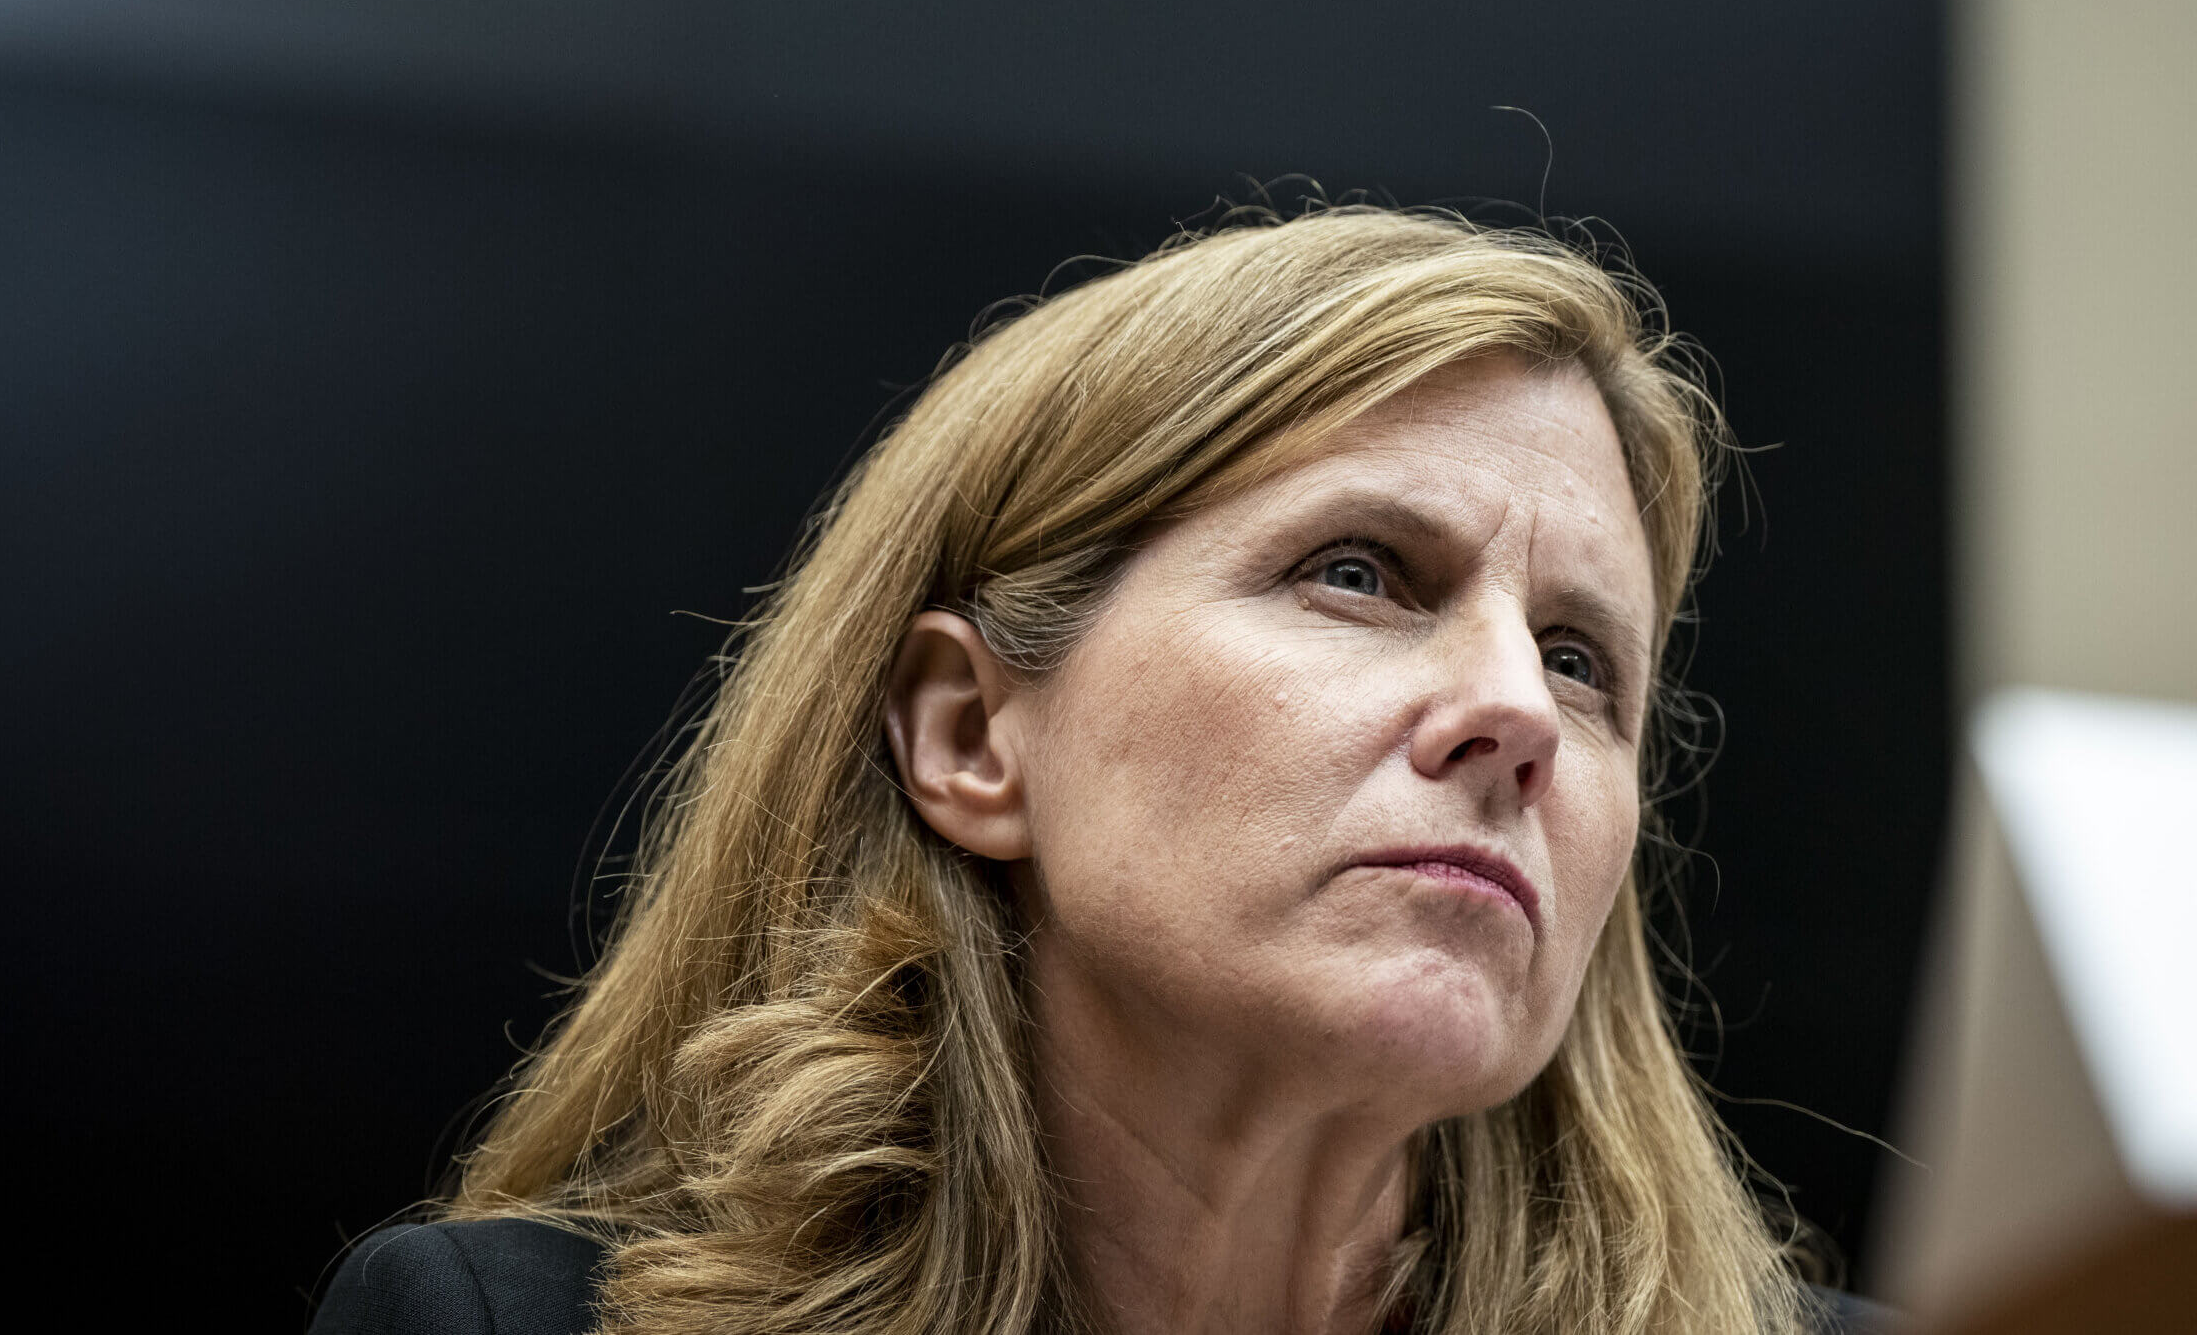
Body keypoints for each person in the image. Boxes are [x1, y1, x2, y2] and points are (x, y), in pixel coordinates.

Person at [311, 204, 1899, 1334]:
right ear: (969, 733)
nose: (1519, 712)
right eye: (1360, 573)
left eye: (1580, 657)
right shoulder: (502, 1323)